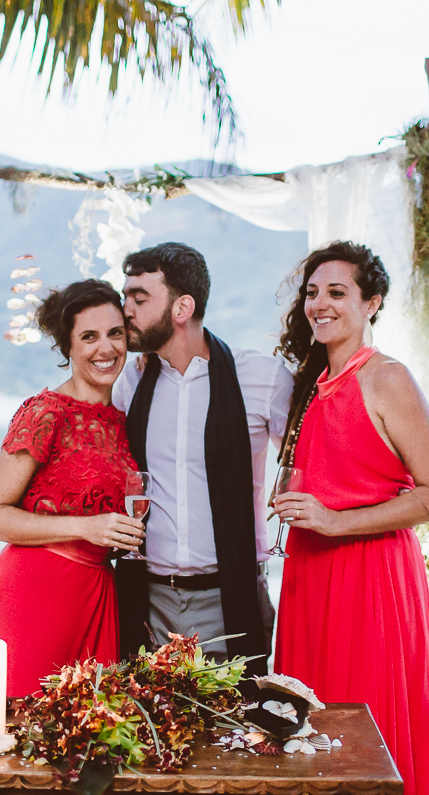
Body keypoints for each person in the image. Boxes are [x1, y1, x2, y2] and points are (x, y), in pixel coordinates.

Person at [272, 241, 429, 795]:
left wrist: (334, 520)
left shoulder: (386, 378)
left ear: (371, 302)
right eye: (312, 293)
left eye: (337, 292)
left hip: (369, 577)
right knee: (314, 725)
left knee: (364, 732)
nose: (319, 304)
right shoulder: (312, 383)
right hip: (310, 575)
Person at [112, 242, 292, 676]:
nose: (125, 312)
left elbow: (305, 465)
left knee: (239, 734)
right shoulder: (129, 383)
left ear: (182, 308)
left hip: (232, 598)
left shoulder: (263, 379)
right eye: (125, 299)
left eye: (139, 299)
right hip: (146, 598)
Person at [0, 279, 146, 698]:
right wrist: (86, 528)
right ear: (67, 347)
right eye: (89, 337)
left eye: (115, 333)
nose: (106, 349)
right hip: (33, 597)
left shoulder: (123, 420)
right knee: (20, 735)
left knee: (88, 742)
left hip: (96, 596)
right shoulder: (46, 413)